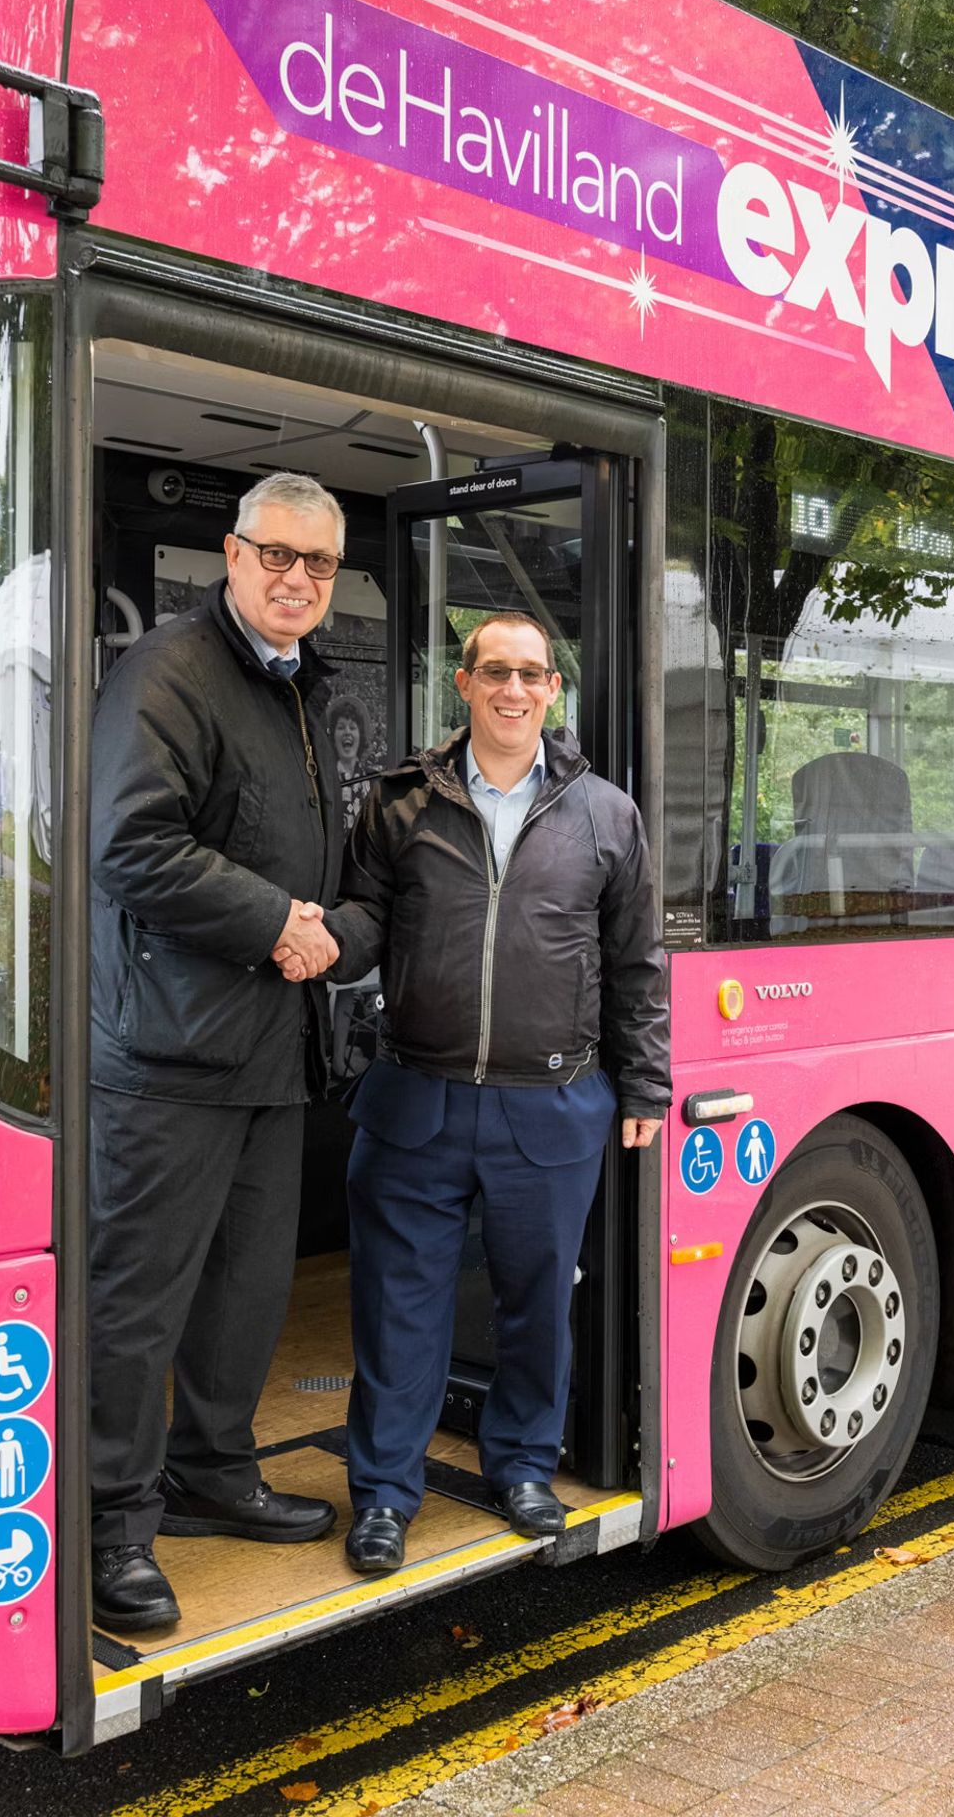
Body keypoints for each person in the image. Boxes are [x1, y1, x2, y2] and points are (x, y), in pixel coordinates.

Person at [329, 612, 671, 1574]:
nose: (512, 690)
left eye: (530, 674)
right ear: (463, 684)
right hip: (415, 1100)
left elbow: (636, 966)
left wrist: (644, 1084)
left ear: (551, 691)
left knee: (534, 1302)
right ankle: (385, 1496)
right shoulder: (399, 803)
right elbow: (362, 921)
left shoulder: (606, 814)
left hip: (551, 1105)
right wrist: (308, 937)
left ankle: (522, 1466)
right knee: (400, 1306)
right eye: (494, 672)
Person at [87, 472, 351, 1632]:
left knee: (245, 1289)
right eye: (276, 554)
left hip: (269, 1048)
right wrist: (277, 922)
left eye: (319, 564)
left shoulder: (298, 687)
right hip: (166, 1056)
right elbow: (131, 845)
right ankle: (107, 1522)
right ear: (232, 555)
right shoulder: (173, 669)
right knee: (135, 1301)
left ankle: (210, 1473)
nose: (296, 576)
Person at [329, 695, 372, 829]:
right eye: (341, 727)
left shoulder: (374, 781)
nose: (347, 732)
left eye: (352, 727)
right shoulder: (325, 780)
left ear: (361, 736)